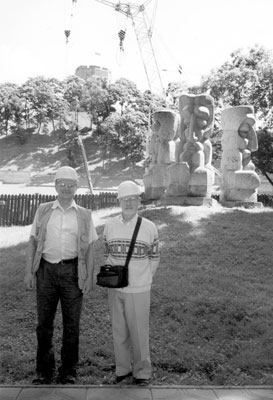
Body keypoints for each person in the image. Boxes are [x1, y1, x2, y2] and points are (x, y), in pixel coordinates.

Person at [24, 166, 98, 385]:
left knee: (72, 325)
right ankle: (44, 371)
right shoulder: (43, 210)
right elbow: (33, 241)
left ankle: (68, 371)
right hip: (46, 271)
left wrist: (89, 277)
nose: (66, 188)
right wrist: (29, 272)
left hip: (73, 273)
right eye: (62, 184)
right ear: (55, 185)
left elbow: (90, 248)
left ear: (77, 187)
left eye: (71, 184)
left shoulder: (84, 214)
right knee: (44, 324)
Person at [103, 180, 160, 386]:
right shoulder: (109, 225)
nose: (129, 203)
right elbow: (106, 253)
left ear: (139, 201)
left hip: (139, 288)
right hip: (115, 287)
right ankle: (123, 370)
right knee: (119, 330)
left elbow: (154, 257)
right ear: (119, 201)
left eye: (133, 199)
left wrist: (142, 277)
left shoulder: (149, 227)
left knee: (139, 331)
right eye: (125, 199)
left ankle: (142, 372)